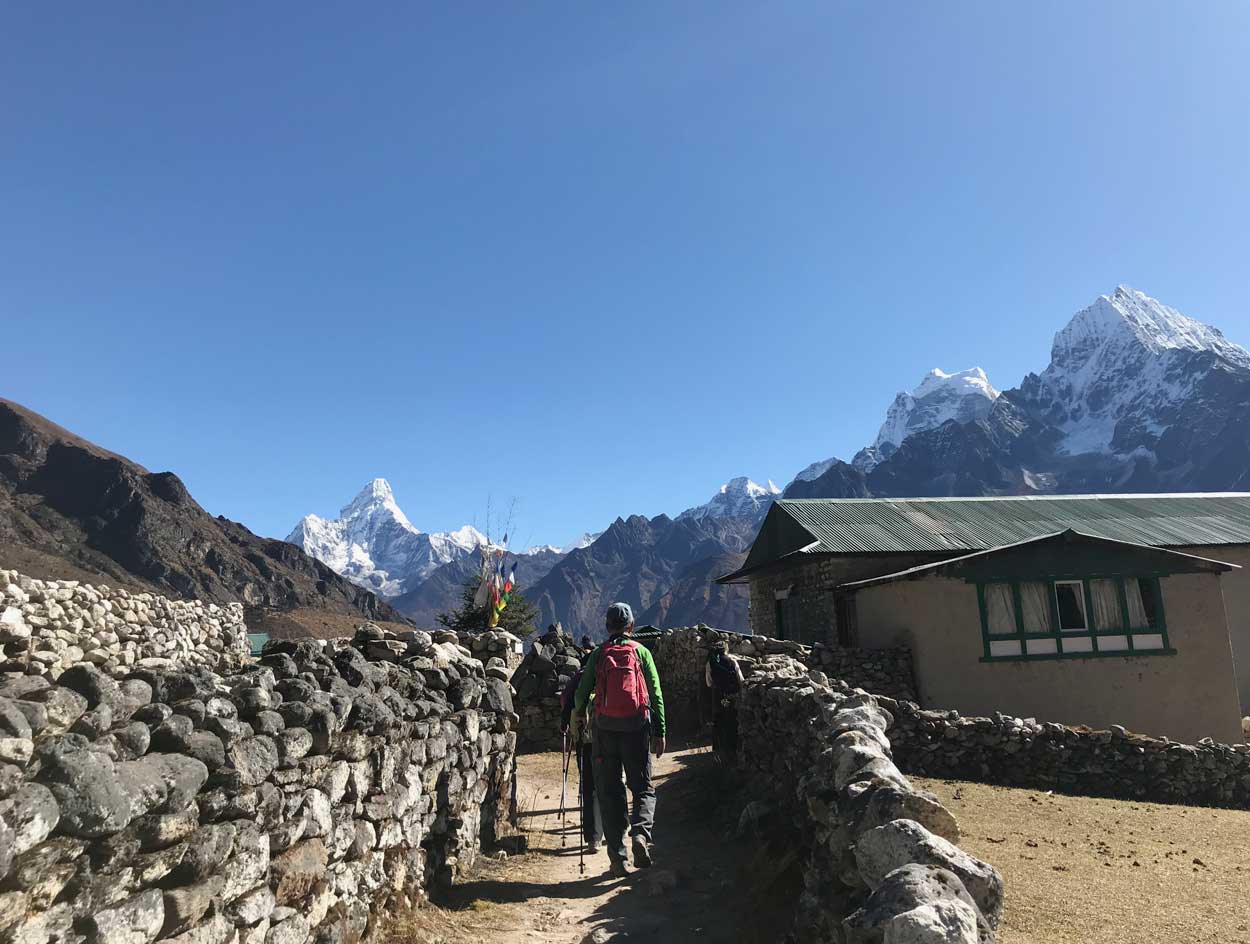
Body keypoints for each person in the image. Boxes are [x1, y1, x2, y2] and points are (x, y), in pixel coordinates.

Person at [573, 602, 666, 878]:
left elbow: (581, 692)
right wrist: (660, 731)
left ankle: (618, 859)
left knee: (610, 793)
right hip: (636, 729)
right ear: (632, 627)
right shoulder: (642, 652)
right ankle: (640, 833)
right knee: (643, 789)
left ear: (607, 627)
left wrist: (579, 714)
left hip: (604, 733)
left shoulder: (599, 654)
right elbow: (656, 694)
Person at [560, 666, 602, 854]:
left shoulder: (578, 679)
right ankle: (615, 830)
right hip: (610, 739)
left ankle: (593, 838)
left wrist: (564, 725)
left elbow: (566, 703)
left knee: (589, 787)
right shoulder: (606, 675)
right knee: (612, 785)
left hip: (585, 742)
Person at [705, 636, 744, 759]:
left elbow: (708, 683)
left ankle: (719, 753)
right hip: (732, 697)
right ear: (726, 649)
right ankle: (733, 751)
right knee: (732, 723)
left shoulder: (710, 664)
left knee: (718, 723)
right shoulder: (732, 661)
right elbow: (741, 680)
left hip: (718, 697)